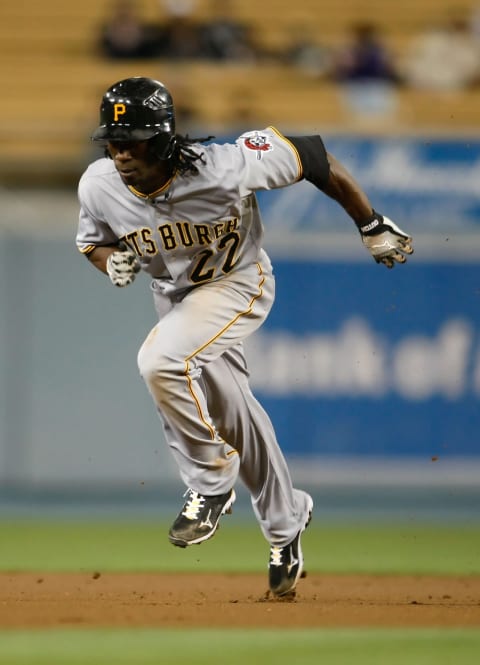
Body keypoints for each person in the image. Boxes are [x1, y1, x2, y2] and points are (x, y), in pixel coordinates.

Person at [76, 77, 413, 598]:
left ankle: (211, 481)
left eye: (134, 139)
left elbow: (313, 155)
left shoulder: (226, 165)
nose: (120, 152)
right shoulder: (98, 184)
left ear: (164, 137)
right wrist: (109, 261)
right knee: (236, 411)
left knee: (160, 361)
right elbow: (92, 242)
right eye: (114, 141)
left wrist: (369, 223)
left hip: (237, 283)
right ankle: (287, 523)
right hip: (176, 295)